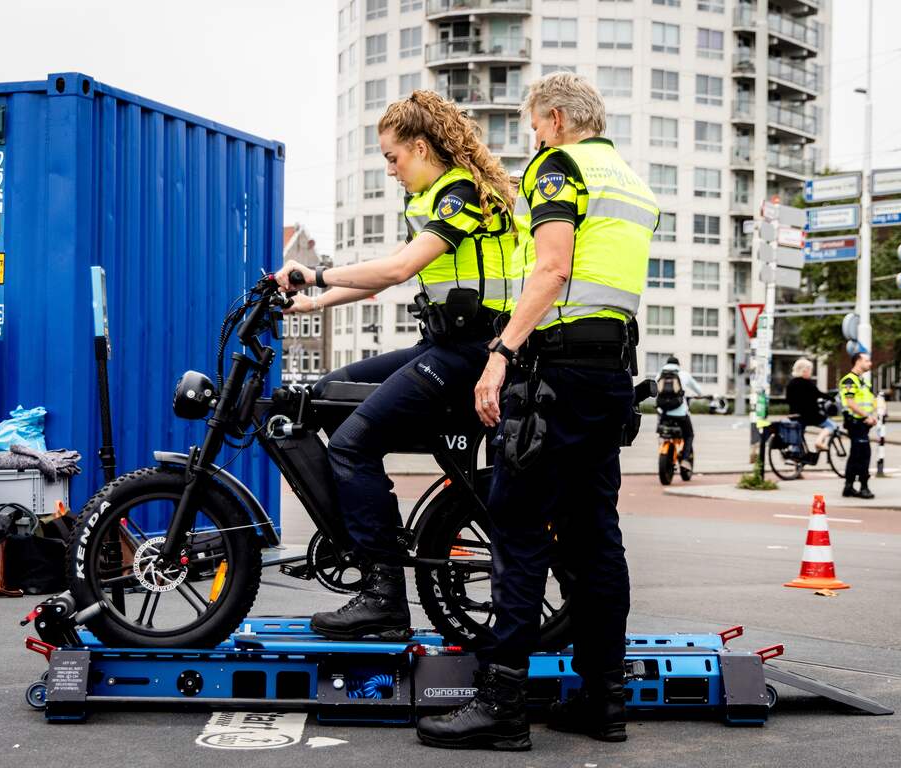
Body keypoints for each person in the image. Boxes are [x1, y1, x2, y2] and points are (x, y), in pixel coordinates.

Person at [417, 73, 658, 751]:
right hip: (608, 375)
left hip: (551, 375)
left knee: (519, 531)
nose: (533, 139)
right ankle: (602, 701)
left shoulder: (560, 167)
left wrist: (500, 351)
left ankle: (502, 706)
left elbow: (551, 270)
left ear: (554, 119)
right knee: (594, 539)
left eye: (533, 126)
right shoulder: (631, 181)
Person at [274, 90, 517, 641]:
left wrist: (315, 276)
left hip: (469, 353)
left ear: (422, 146)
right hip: (441, 345)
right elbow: (385, 278)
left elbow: (398, 269)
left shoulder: (458, 193)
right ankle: (370, 533)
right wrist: (310, 303)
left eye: (392, 157)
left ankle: (382, 592)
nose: (390, 169)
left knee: (352, 443)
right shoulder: (434, 196)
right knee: (330, 392)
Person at [655, 355, 702, 472]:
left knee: (662, 431)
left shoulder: (659, 375)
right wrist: (699, 395)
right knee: (689, 435)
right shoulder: (684, 374)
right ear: (678, 365)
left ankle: (663, 441)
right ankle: (685, 460)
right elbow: (699, 390)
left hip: (663, 412)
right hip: (680, 413)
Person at [839, 352, 876, 499]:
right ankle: (863, 487)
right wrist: (867, 416)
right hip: (856, 423)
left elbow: (869, 401)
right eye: (867, 360)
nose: (870, 363)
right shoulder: (849, 380)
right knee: (863, 454)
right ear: (858, 361)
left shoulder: (863, 382)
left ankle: (848, 487)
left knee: (856, 455)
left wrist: (873, 416)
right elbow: (850, 403)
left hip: (862, 423)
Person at [785, 358, 837, 452]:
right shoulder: (808, 384)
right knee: (832, 425)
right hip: (810, 416)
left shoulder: (790, 383)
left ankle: (797, 460)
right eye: (810, 370)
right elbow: (818, 394)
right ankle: (819, 441)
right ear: (804, 371)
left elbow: (788, 400)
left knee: (798, 438)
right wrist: (832, 398)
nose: (810, 373)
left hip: (794, 416)